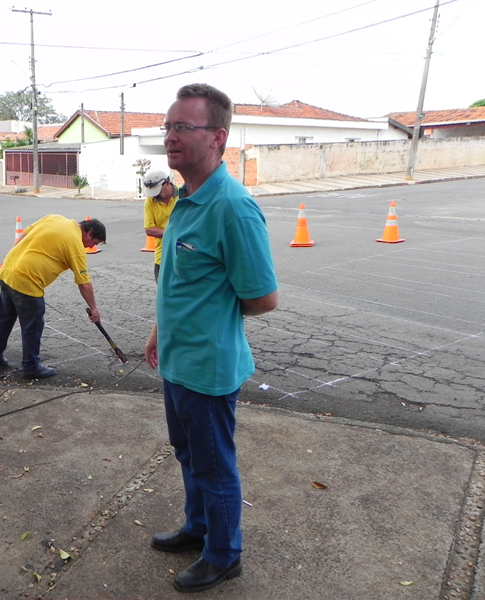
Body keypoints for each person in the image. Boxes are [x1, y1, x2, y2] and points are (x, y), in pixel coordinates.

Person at [144, 84, 279, 594]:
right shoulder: (185, 197)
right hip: (177, 362)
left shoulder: (232, 207)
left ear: (218, 137)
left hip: (209, 368)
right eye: (168, 126)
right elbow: (180, 282)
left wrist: (212, 321)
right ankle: (198, 527)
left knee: (215, 465)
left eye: (183, 127)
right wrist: (160, 332)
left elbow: (263, 297)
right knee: (187, 453)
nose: (171, 137)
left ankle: (224, 555)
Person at [0, 214, 106, 379]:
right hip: (27, 282)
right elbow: (84, 283)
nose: (91, 247)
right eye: (94, 243)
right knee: (33, 326)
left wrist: (11, 258)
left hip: (7, 271)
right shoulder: (75, 244)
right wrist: (94, 308)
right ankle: (30, 366)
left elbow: (25, 234)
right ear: (89, 233)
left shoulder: (54, 218)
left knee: (5, 317)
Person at [142, 169, 178, 282]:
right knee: (164, 297)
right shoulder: (150, 201)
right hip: (162, 257)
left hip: (185, 257)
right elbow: (149, 230)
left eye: (157, 191)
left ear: (167, 183)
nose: (155, 195)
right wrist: (175, 233)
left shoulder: (185, 194)